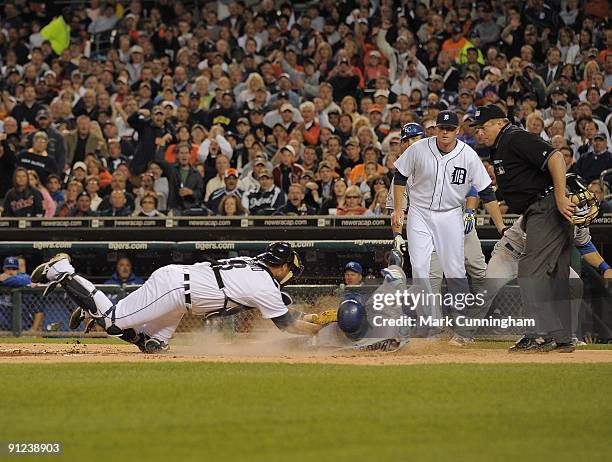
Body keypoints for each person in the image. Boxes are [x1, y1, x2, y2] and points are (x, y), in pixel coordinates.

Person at [31, 243, 320, 353]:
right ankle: (63, 270)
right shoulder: (265, 283)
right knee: (113, 322)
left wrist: (308, 319)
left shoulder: (252, 264)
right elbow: (286, 324)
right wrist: (319, 326)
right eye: (289, 270)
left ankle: (92, 306)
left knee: (152, 346)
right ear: (281, 266)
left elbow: (281, 312)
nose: (289, 275)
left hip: (181, 295)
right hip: (176, 290)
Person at [471, 104, 577, 353]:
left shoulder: (514, 137)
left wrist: (561, 197)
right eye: (477, 129)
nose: (480, 133)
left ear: (499, 123)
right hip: (539, 209)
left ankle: (539, 334)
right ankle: (561, 338)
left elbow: (556, 158)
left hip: (547, 206)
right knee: (555, 277)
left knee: (530, 272)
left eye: (483, 127)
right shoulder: (501, 145)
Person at [391, 110, 505, 340]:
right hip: (420, 213)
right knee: (421, 270)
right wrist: (397, 209)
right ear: (435, 130)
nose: (445, 132)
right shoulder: (418, 149)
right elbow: (400, 175)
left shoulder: (468, 155)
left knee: (456, 272)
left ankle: (463, 331)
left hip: (451, 214)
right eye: (441, 128)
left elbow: (486, 193)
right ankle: (432, 325)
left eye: (449, 129)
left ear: (458, 131)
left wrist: (501, 227)